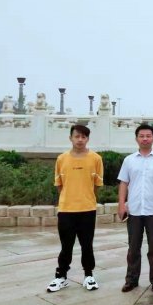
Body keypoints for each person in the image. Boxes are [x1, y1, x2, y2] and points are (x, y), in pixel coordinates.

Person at [47, 124, 104, 293]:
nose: (80, 140)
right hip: (66, 210)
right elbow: (59, 185)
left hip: (87, 209)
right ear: (70, 138)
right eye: (77, 136)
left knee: (87, 244)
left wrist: (86, 197)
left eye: (83, 137)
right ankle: (61, 276)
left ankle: (89, 275)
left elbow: (96, 185)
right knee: (66, 245)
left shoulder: (96, 159)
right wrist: (69, 198)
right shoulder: (61, 159)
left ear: (87, 139)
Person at [117, 124, 153, 293]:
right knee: (133, 248)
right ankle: (131, 280)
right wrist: (121, 204)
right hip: (134, 210)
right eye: (142, 136)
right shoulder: (129, 160)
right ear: (136, 139)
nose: (145, 139)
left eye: (148, 136)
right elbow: (123, 183)